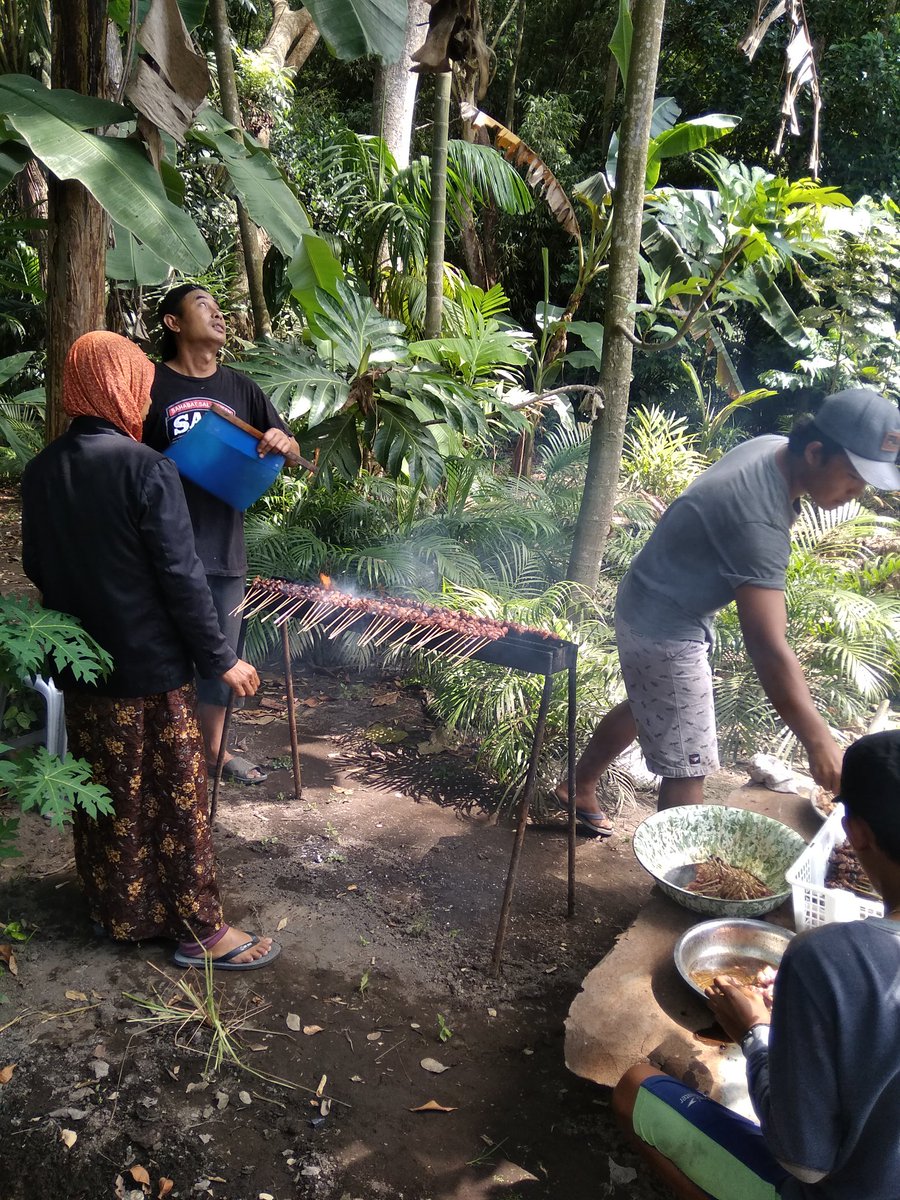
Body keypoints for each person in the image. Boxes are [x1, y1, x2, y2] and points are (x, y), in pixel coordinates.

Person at [21, 331, 280, 970]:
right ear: (123, 387)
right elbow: (182, 576)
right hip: (150, 667)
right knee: (176, 797)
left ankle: (119, 911)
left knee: (110, 792)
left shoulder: (43, 469)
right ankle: (200, 931)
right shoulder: (146, 467)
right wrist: (221, 657)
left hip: (82, 665)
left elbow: (36, 564)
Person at [557, 388, 900, 836]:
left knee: (654, 703)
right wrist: (818, 740)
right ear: (815, 453)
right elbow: (768, 647)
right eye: (854, 477)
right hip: (664, 623)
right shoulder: (756, 520)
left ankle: (577, 784)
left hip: (652, 595)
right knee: (690, 761)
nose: (856, 494)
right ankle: (679, 885)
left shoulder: (775, 448)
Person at [612, 729, 900, 1200]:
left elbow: (804, 1158)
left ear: (855, 833)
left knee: (633, 1088)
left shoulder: (827, 955)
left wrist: (755, 1033)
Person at [143, 284, 301, 784]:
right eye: (203, 305)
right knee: (163, 648)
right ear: (173, 323)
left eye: (218, 306)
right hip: (161, 544)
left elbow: (289, 449)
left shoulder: (241, 387)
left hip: (222, 545)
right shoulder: (151, 384)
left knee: (220, 653)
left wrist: (281, 438)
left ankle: (212, 753)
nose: (218, 313)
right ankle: (163, 747)